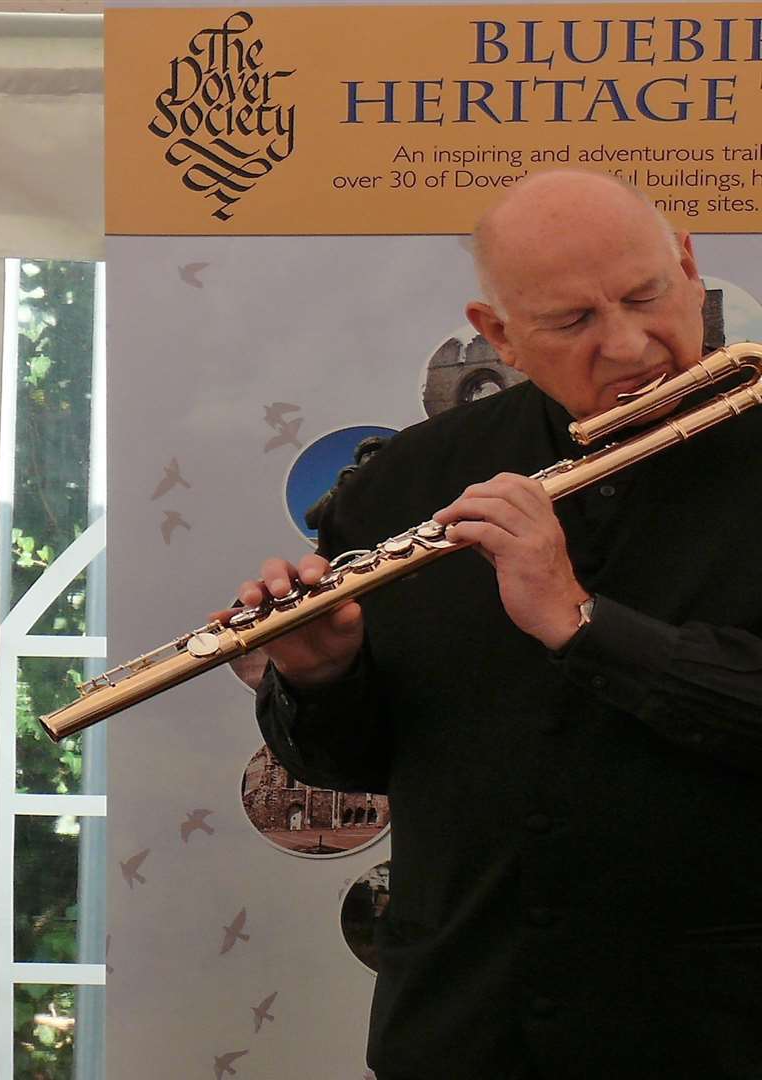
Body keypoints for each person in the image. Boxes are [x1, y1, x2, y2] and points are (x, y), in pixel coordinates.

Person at [244, 170, 762, 1078]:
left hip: (714, 1034)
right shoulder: (407, 480)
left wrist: (582, 621)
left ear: (689, 267)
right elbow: (353, 766)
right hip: (464, 1027)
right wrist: (321, 679)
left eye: (648, 296)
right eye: (573, 322)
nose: (630, 342)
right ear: (500, 337)